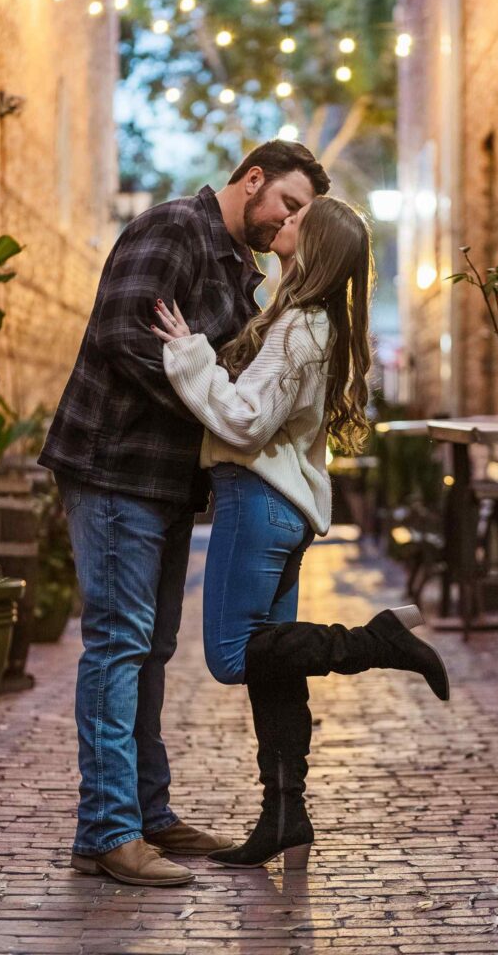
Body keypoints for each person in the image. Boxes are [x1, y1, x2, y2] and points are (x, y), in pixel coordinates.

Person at [37, 140, 330, 887]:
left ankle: (147, 813)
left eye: (301, 214)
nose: (287, 220)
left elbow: (225, 375)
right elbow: (122, 334)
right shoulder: (173, 227)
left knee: (152, 648)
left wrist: (216, 394)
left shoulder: (241, 270)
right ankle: (106, 832)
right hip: (113, 470)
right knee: (119, 645)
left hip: (165, 484)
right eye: (287, 204)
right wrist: (210, 408)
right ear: (252, 179)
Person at [151, 196, 450, 872]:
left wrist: (187, 355)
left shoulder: (299, 327)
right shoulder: (309, 321)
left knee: (233, 655)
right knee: (271, 664)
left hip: (257, 502)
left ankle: (376, 640)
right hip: (281, 509)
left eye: (296, 219)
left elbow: (247, 421)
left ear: (311, 246)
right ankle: (284, 812)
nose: (282, 220)